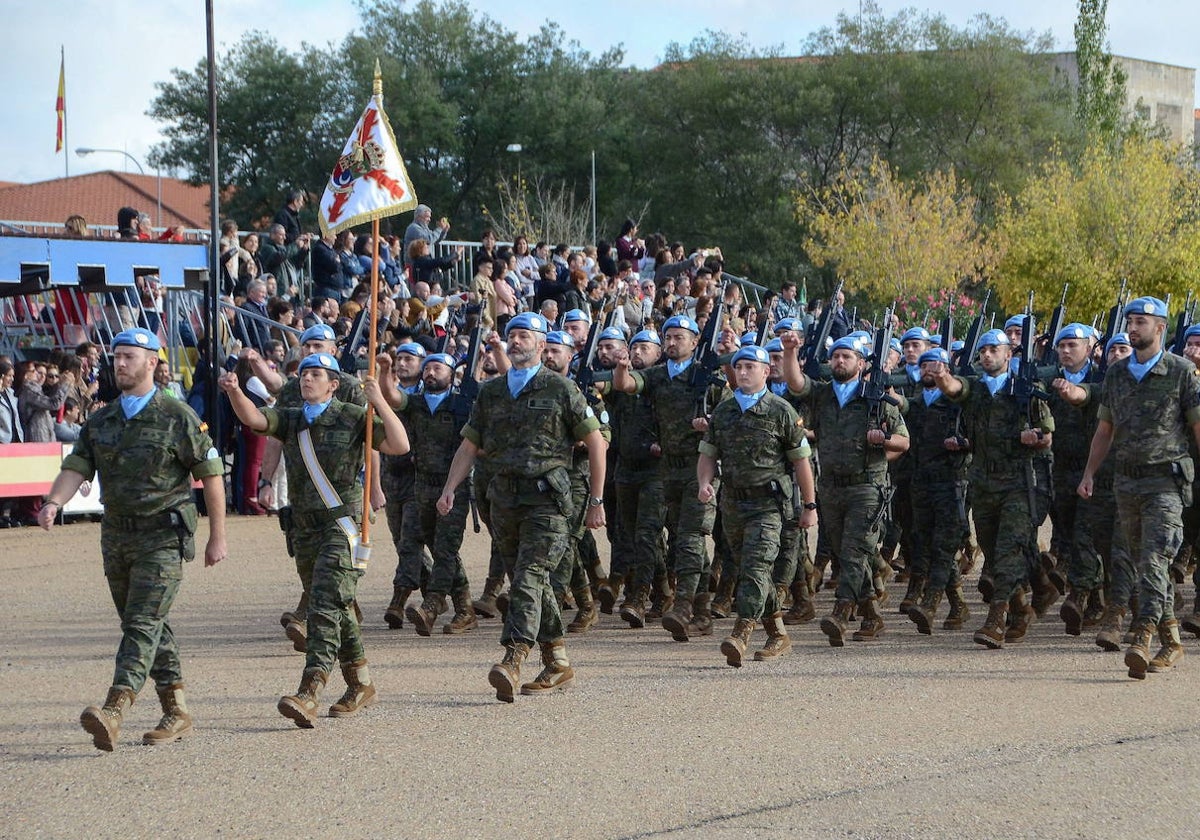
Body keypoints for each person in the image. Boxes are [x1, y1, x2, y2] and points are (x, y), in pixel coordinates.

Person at [38, 327, 227, 751]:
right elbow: (78, 465)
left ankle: (114, 709)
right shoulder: (102, 420)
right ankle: (176, 710)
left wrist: (218, 535)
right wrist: (53, 502)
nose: (120, 364)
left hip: (162, 538)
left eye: (129, 357)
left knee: (142, 624)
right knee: (144, 623)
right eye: (117, 357)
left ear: (153, 364)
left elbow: (210, 475)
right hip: (117, 539)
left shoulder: (177, 416)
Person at [221, 352, 409, 726]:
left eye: (316, 374)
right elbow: (255, 419)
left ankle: (310, 690)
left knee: (323, 605)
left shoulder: (353, 417)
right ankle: (360, 683)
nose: (307, 379)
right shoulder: (291, 418)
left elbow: (399, 445)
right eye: (304, 373)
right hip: (304, 528)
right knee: (336, 606)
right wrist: (234, 392)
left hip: (342, 525)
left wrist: (379, 403)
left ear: (333, 384)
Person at [436, 312, 606, 702]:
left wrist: (596, 500)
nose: (515, 342)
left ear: (542, 345)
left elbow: (596, 444)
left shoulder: (561, 389)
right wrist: (449, 488)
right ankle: (557, 660)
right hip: (504, 501)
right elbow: (469, 446)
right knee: (533, 583)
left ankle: (513, 658)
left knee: (530, 578)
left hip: (548, 502)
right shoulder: (491, 392)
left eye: (524, 335)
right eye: (512, 335)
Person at [1077, 297, 1200, 679]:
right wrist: (1089, 473)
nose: (1133, 328)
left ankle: (1142, 636)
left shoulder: (1181, 372)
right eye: (1131, 321)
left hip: (1166, 482)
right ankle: (1173, 639)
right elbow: (1105, 429)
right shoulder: (1116, 374)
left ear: (1160, 327)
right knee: (1141, 562)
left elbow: (1197, 427)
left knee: (1154, 561)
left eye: (1141, 322)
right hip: (1126, 482)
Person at [779, 330, 910, 646]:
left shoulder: (877, 399)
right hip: (831, 488)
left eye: (846, 356)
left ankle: (841, 611)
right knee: (848, 552)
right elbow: (796, 383)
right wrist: (789, 352)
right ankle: (872, 615)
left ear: (861, 363)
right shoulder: (824, 394)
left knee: (853, 552)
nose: (839, 360)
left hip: (867, 488)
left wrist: (883, 442)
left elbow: (903, 441)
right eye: (836, 356)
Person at [927, 329, 1053, 649]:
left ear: (1008, 354)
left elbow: (1047, 435)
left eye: (993, 350)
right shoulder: (976, 389)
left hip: (1018, 483)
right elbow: (956, 389)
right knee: (994, 550)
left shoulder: (1026, 389)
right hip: (982, 482)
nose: (986, 355)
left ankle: (996, 618)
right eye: (982, 350)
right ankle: (1024, 606)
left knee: (1010, 548)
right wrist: (942, 377)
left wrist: (1034, 438)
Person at [612, 314, 729, 642]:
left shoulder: (709, 377)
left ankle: (683, 606)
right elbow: (627, 385)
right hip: (668, 468)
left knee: (691, 536)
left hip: (700, 466)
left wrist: (711, 425)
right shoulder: (658, 375)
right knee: (683, 540)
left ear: (695, 342)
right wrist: (621, 367)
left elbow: (729, 416)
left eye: (680, 337)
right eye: (669, 336)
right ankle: (703, 613)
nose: (673, 342)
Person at [698, 345, 817, 667]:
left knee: (755, 568)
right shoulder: (723, 412)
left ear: (766, 371)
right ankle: (777, 634)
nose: (744, 372)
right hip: (733, 504)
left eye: (751, 366)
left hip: (768, 506)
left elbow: (801, 462)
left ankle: (741, 633)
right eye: (740, 367)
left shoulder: (782, 411)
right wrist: (704, 483)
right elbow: (708, 453)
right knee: (750, 569)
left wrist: (810, 505)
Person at [382, 351, 478, 636]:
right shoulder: (416, 403)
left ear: (452, 374)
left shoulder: (462, 404)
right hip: (420, 485)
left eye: (438, 368)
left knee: (446, 549)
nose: (431, 373)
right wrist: (386, 370)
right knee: (427, 545)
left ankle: (433, 605)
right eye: (428, 368)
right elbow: (391, 396)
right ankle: (465, 609)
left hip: (454, 484)